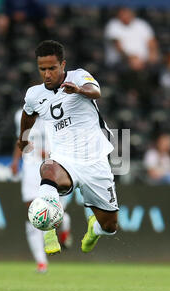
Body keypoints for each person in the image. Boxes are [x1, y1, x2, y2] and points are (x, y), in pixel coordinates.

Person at [17, 40, 119, 256]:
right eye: (42, 69)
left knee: (110, 226)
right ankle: (48, 226)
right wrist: (23, 140)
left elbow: (96, 91)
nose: (47, 74)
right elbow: (28, 115)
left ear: (62, 65)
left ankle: (95, 229)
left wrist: (79, 90)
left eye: (52, 68)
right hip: (65, 159)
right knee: (48, 169)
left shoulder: (79, 76)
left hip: (95, 160)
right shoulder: (34, 95)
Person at [11, 107, 72, 273]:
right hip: (30, 168)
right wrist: (15, 161)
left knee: (52, 210)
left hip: (51, 167)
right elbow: (21, 139)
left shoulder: (56, 114)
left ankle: (64, 222)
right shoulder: (21, 116)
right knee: (31, 215)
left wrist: (53, 153)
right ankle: (41, 262)